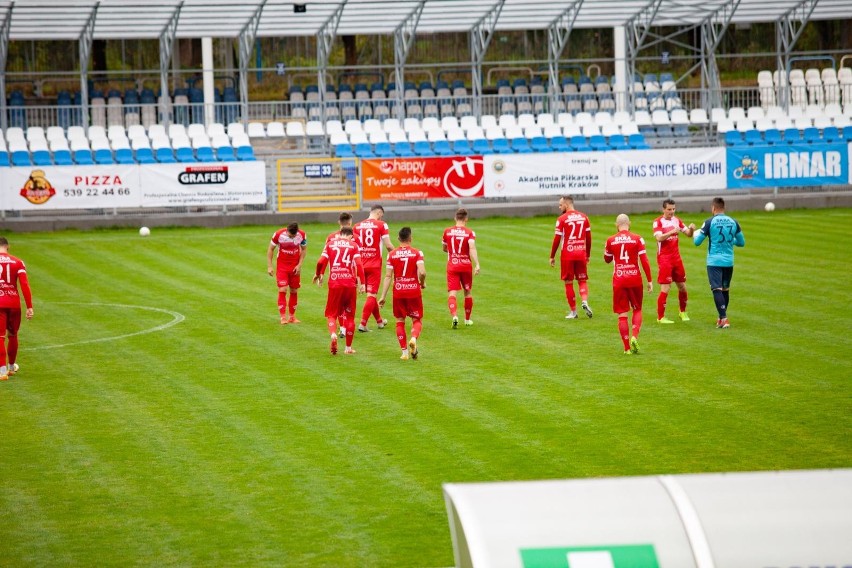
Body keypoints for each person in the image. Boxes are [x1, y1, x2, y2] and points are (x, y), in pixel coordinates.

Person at [603, 214, 653, 355]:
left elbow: (607, 259)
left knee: (622, 314)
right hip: (635, 279)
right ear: (629, 223)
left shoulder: (610, 240)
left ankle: (626, 348)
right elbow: (644, 260)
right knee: (637, 309)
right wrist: (649, 280)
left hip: (619, 280)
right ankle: (634, 336)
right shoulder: (638, 239)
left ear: (616, 225)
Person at [693, 197, 745, 329]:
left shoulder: (709, 222)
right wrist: (730, 241)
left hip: (714, 261)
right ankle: (721, 318)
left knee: (716, 289)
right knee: (725, 290)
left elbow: (697, 242)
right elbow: (741, 242)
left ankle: (724, 318)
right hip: (729, 262)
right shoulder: (734, 222)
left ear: (713, 208)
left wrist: (695, 233)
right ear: (724, 208)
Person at [313, 227, 365, 355]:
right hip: (350, 284)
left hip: (335, 283)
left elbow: (321, 261)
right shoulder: (353, 245)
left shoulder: (330, 244)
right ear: (351, 236)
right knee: (350, 317)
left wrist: (318, 274)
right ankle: (348, 348)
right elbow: (359, 265)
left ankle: (333, 335)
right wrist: (362, 283)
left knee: (332, 314)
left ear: (340, 234)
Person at [378, 227, 426, 361]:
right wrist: (422, 283)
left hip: (398, 291)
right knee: (416, 320)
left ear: (399, 239)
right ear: (410, 239)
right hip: (413, 291)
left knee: (400, 321)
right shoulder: (417, 253)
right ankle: (413, 338)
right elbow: (422, 272)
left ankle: (404, 352)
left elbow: (388, 276)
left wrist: (382, 296)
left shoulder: (391, 254)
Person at [652, 199, 695, 324]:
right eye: (669, 209)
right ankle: (660, 317)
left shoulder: (677, 220)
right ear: (663, 209)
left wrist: (691, 229)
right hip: (664, 259)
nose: (672, 212)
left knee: (682, 286)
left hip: (676, 258)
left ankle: (683, 312)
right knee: (666, 287)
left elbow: (688, 234)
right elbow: (659, 238)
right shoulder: (657, 222)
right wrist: (671, 232)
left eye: (673, 209)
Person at [549, 195, 593, 319]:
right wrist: (587, 254)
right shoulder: (584, 217)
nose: (559, 207)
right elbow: (588, 238)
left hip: (568, 254)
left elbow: (557, 239)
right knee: (582, 280)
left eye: (560, 205)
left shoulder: (562, 219)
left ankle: (573, 312)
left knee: (568, 282)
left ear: (566, 205)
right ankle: (584, 300)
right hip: (580, 252)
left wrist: (552, 256)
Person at [353, 205, 394, 332]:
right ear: (379, 213)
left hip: (360, 265)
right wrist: (397, 254)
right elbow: (388, 245)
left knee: (371, 295)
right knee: (372, 295)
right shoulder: (382, 225)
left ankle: (380, 321)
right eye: (382, 215)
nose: (382, 217)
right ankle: (363, 324)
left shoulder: (357, 226)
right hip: (374, 265)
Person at [0, 236, 34, 381]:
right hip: (14, 303)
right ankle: (12, 366)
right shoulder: (18, 262)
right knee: (13, 335)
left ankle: (2, 371)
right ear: (8, 246)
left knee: (0, 337)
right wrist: (29, 306)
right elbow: (24, 285)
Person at [442, 208, 480, 328]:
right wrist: (477, 263)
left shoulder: (447, 231)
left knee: (452, 293)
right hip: (465, 265)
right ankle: (467, 320)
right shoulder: (470, 232)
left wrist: (453, 253)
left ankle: (454, 316)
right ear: (466, 219)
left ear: (455, 218)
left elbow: (444, 248)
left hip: (453, 265)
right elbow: (472, 247)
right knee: (467, 292)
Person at [267, 222, 308, 324]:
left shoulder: (302, 235)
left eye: (293, 236)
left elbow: (304, 250)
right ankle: (282, 317)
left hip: (295, 266)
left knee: (294, 290)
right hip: (282, 266)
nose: (292, 237)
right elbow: (271, 249)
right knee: (283, 288)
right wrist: (270, 266)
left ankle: (292, 317)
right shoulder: (278, 234)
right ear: (287, 230)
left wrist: (299, 265)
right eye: (290, 236)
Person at [326, 212, 354, 335]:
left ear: (339, 222)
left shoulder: (331, 237)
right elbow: (357, 260)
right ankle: (344, 330)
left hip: (335, 276)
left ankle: (339, 330)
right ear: (350, 222)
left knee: (335, 306)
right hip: (349, 277)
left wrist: (324, 273)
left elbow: (326, 258)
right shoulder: (354, 238)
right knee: (346, 306)